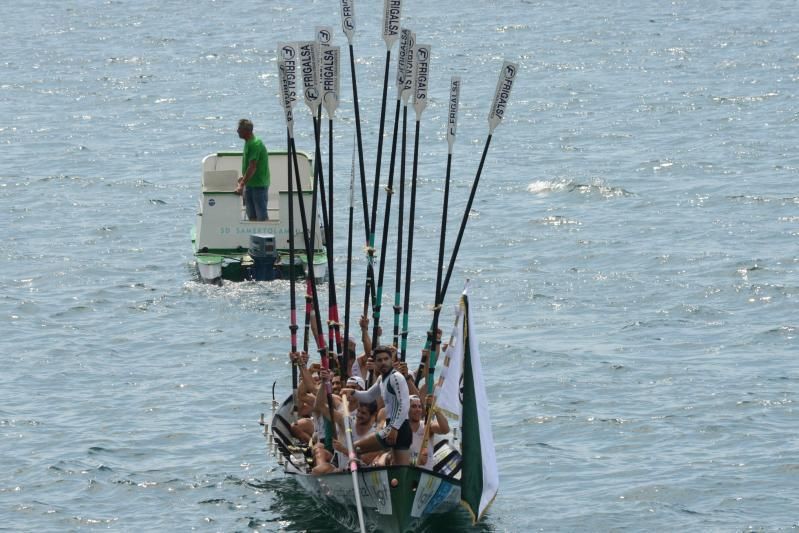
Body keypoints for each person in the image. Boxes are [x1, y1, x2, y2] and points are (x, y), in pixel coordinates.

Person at [341, 345, 412, 466]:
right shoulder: (381, 379)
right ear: (375, 363)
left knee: (355, 448)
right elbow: (369, 396)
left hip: (399, 428)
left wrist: (394, 428)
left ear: (391, 360)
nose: (383, 362)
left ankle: (358, 476)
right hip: (395, 427)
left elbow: (405, 404)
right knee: (398, 469)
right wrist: (352, 392)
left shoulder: (396, 378)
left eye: (386, 359)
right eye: (379, 360)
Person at [235, 119, 270, 221]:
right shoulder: (248, 142)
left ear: (246, 131)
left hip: (259, 185)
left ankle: (264, 235)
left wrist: (241, 184)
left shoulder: (255, 144)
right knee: (252, 216)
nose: (237, 131)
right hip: (250, 185)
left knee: (261, 217)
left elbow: (253, 166)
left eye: (239, 129)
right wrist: (244, 178)